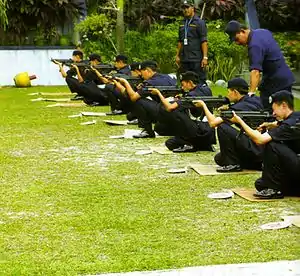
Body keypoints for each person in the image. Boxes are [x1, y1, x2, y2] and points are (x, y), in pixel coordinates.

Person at [229, 91, 300, 199]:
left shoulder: (289, 125)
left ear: (284, 105)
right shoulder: (295, 117)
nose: (274, 114)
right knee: (261, 184)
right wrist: (270, 125)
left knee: (272, 144)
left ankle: (274, 190)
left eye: (275, 109)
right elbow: (279, 124)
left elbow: (260, 140)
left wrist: (240, 121)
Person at [194, 77, 264, 171]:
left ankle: (232, 164)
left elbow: (213, 123)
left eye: (229, 92)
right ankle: (253, 164)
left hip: (255, 147)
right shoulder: (254, 100)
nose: (228, 95)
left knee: (222, 127)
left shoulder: (239, 107)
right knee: (219, 158)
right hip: (260, 148)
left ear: (235, 92)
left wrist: (203, 105)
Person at [225, 20, 295, 111]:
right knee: (286, 109)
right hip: (285, 77)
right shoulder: (263, 32)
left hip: (275, 82)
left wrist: (251, 93)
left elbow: (255, 71)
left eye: (237, 39)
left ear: (242, 31)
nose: (237, 43)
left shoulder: (254, 46)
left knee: (267, 110)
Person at [151, 71, 215, 152]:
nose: (182, 87)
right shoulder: (206, 89)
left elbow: (169, 108)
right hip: (209, 132)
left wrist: (158, 93)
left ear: (190, 83)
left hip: (198, 131)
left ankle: (189, 143)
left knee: (174, 112)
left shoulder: (191, 96)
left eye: (183, 84)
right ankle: (204, 145)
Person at [116, 60, 176, 138]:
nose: (141, 74)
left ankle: (147, 131)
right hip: (175, 111)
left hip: (165, 110)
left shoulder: (150, 82)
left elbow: (133, 98)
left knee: (138, 101)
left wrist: (125, 83)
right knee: (159, 129)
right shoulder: (168, 77)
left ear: (148, 70)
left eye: (142, 71)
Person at [176, 0, 208, 82]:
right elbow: (180, 41)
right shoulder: (182, 23)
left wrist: (205, 57)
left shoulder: (199, 22)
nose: (185, 10)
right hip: (185, 59)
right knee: (186, 81)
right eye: (183, 8)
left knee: (199, 80)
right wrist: (177, 55)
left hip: (196, 58)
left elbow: (204, 41)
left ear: (192, 8)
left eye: (187, 7)